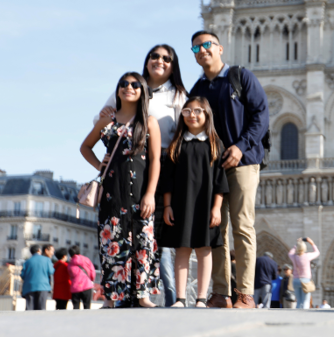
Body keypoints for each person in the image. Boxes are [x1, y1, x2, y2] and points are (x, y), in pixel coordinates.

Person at [96, 44, 188, 308]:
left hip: (160, 167)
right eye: (154, 56)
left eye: (166, 58)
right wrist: (101, 164)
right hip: (121, 173)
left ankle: (159, 296)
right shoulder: (130, 86)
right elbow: (100, 124)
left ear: (173, 64)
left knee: (154, 239)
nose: (160, 61)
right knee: (117, 236)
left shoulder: (178, 94)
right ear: (147, 61)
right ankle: (119, 296)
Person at [188, 31, 269, 309]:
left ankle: (245, 293)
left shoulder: (240, 76)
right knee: (216, 229)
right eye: (196, 47)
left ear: (220, 48)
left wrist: (240, 147)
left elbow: (261, 114)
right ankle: (221, 292)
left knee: (243, 225)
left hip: (243, 162)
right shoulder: (196, 90)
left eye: (207, 44)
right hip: (211, 169)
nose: (202, 50)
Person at [80, 72, 162, 308]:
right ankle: (111, 296)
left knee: (142, 242)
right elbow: (85, 147)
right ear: (117, 90)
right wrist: (99, 165)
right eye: (124, 84)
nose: (129, 87)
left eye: (135, 84)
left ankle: (142, 295)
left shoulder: (150, 122)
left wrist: (150, 194)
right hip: (111, 192)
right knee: (111, 242)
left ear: (142, 91)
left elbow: (156, 160)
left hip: (140, 194)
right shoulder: (107, 121)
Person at [161, 96, 229, 308]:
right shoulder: (176, 145)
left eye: (198, 111)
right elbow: (168, 181)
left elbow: (220, 181)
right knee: (181, 249)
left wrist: (216, 208)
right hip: (181, 205)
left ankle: (201, 298)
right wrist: (167, 206)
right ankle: (180, 298)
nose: (192, 115)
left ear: (207, 115)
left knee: (204, 249)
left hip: (206, 206)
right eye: (187, 111)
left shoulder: (215, 145)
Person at [288, 238, 319, 309]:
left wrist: (296, 244)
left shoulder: (294, 257)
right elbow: (317, 252)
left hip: (295, 280)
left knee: (298, 301)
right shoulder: (307, 256)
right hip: (305, 280)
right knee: (306, 301)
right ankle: (304, 316)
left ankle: (298, 317)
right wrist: (312, 243)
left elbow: (290, 253)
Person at [20, 245, 54, 310]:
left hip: (29, 287)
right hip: (43, 286)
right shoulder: (47, 260)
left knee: (30, 308)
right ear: (39, 250)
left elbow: (22, 275)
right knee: (41, 308)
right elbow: (51, 271)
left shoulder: (27, 262)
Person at [67, 245, 95, 310]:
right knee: (87, 307)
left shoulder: (70, 263)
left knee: (76, 307)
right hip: (87, 286)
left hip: (75, 287)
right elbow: (92, 272)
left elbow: (70, 274)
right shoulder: (86, 259)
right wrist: (91, 279)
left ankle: (76, 319)